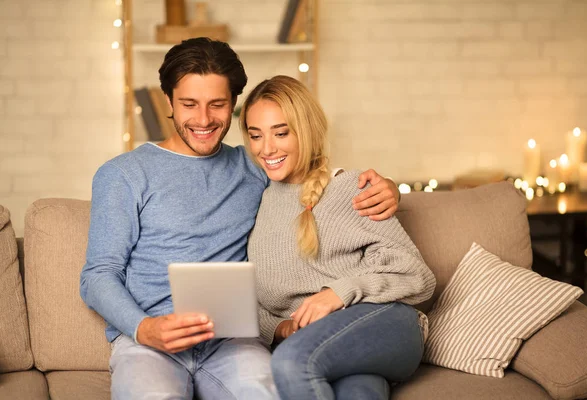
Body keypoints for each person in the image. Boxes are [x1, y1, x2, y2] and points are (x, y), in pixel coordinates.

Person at [80, 37, 401, 400]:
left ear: (234, 104)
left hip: (234, 341)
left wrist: (390, 188)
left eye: (217, 105)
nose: (203, 120)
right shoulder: (122, 174)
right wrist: (144, 329)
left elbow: (315, 177)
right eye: (189, 104)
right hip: (150, 343)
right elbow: (98, 275)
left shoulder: (257, 164)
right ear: (168, 101)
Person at [240, 75, 436, 400]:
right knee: (359, 392)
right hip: (326, 343)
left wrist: (337, 293)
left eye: (281, 132)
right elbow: (251, 299)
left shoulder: (350, 187)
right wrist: (278, 328)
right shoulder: (256, 197)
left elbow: (418, 277)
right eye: (255, 135)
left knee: (292, 362)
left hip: (386, 323)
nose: (266, 148)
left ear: (306, 129)